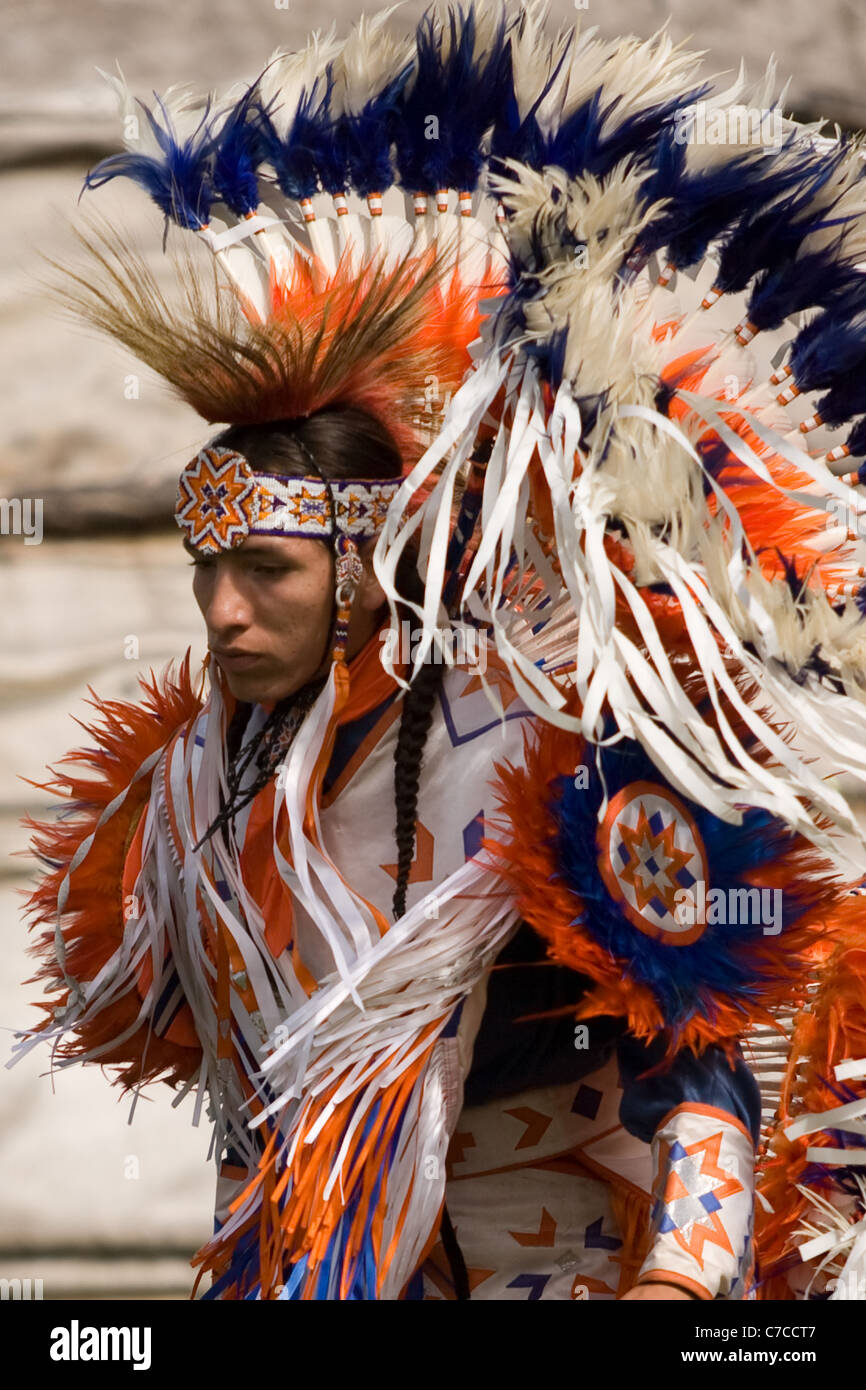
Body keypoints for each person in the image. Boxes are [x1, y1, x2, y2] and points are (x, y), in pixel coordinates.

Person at [11, 2, 866, 1301]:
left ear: (361, 575)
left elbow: (697, 1078)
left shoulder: (550, 759)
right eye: (206, 573)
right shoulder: (188, 796)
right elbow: (259, 1117)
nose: (222, 613)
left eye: (265, 571)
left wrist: (677, 1292)